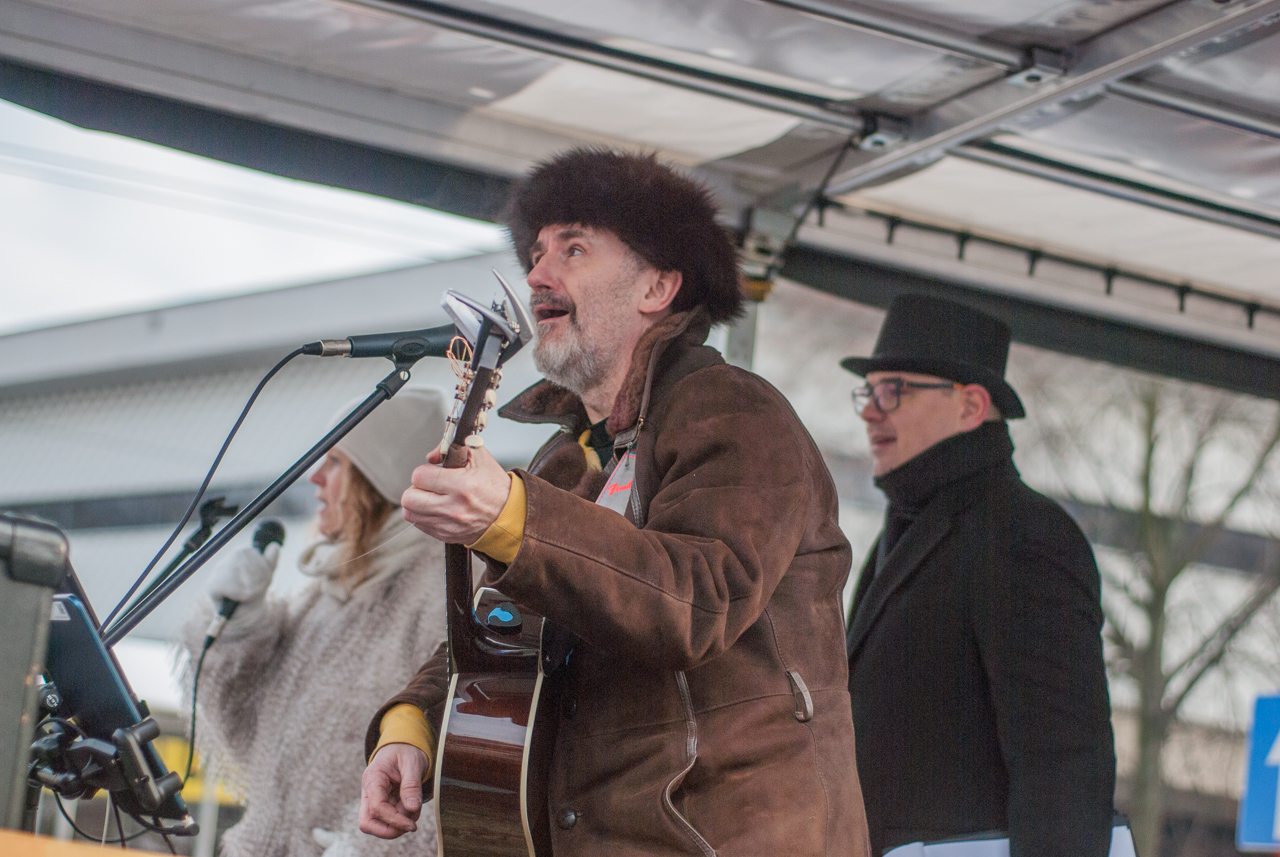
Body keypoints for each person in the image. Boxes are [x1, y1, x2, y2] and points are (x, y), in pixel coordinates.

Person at [358, 148, 872, 857]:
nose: (537, 274)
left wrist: (512, 515)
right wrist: (411, 726)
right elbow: (500, 635)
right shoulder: (567, 459)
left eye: (574, 248)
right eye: (536, 253)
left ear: (657, 286)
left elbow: (694, 602)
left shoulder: (735, 413)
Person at [840, 294, 1116, 857]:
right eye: (869, 392)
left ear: (970, 407)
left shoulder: (1023, 535)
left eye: (894, 389)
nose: (871, 410)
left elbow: (1064, 763)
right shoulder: (913, 522)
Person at [178, 386, 449, 857]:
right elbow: (242, 728)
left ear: (378, 479)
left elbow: (462, 761)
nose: (313, 477)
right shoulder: (322, 597)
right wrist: (237, 628)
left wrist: (371, 850)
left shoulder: (439, 589)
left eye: (336, 462)